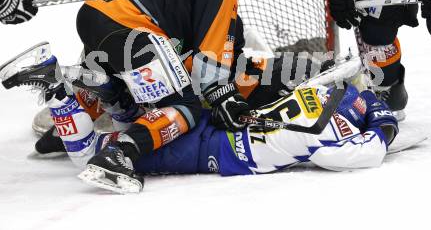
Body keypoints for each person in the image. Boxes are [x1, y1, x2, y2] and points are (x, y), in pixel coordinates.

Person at [1, 0, 267, 186]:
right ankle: (119, 154)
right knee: (185, 106)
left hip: (93, 15)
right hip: (129, 26)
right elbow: (212, 59)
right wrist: (225, 97)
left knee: (122, 83)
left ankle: (61, 128)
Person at [74, 82, 397, 193]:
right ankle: (64, 99)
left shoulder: (321, 91)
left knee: (145, 126)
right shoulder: (331, 134)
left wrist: (375, 118)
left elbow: (363, 99)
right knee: (99, 153)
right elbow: (344, 156)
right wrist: (381, 131)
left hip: (212, 119)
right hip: (213, 150)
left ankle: (105, 91)